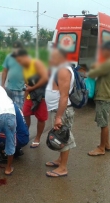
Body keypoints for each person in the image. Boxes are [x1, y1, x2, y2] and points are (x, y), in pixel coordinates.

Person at [44, 48, 76, 177]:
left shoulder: (63, 71)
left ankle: (63, 168)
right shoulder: (58, 69)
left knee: (64, 137)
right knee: (59, 137)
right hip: (56, 109)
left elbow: (64, 96)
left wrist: (58, 117)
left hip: (61, 111)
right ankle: (59, 160)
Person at [87, 40, 110, 156]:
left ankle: (101, 148)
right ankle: (107, 144)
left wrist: (93, 66)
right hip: (107, 95)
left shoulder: (109, 63)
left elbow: (92, 74)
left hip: (104, 95)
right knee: (105, 122)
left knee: (103, 123)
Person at [12, 48, 48, 148]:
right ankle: (25, 133)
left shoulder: (36, 63)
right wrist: (25, 97)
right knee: (25, 114)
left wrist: (33, 87)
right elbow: (27, 85)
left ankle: (37, 138)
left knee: (41, 118)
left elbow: (45, 78)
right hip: (29, 96)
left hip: (41, 96)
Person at [0, 89, 29, 163]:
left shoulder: (6, 109)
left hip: (19, 138)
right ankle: (16, 150)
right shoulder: (13, 105)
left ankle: (5, 155)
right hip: (23, 136)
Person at [1, 41, 25, 109]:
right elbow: (5, 71)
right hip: (9, 88)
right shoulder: (8, 57)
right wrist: (2, 85)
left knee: (19, 110)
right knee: (9, 109)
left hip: (20, 89)